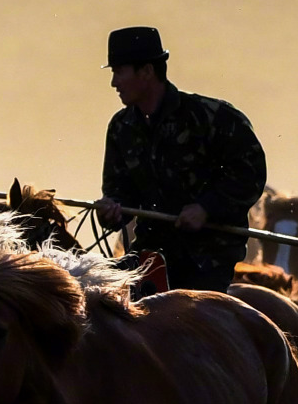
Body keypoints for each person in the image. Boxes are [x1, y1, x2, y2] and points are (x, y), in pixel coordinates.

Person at [92, 26, 265, 292]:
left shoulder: (213, 118)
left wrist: (206, 208)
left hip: (207, 260)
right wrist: (111, 211)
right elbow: (120, 192)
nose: (114, 83)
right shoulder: (120, 128)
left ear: (146, 71)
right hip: (150, 255)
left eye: (119, 72)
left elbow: (250, 175)